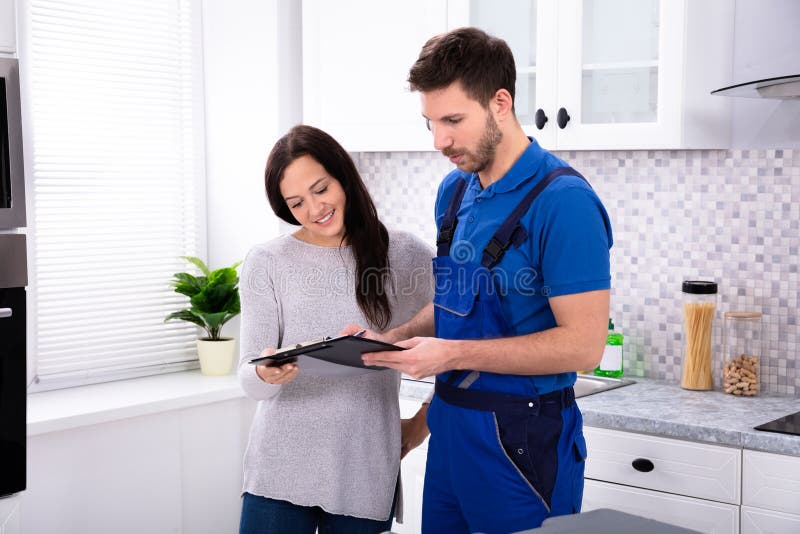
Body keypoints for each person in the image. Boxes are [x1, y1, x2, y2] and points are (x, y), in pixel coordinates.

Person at [343, 27, 613, 533]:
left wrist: (449, 355)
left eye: (453, 120)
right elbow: (456, 305)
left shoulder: (564, 202)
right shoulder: (454, 192)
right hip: (450, 436)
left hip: (523, 443)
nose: (440, 140)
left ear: (501, 103)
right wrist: (396, 338)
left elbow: (584, 346)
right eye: (430, 122)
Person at [237, 124, 433, 534]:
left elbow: (465, 326)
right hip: (279, 470)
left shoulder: (405, 253)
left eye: (321, 189)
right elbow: (250, 380)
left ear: (343, 176)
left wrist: (422, 422)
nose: (313, 209)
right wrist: (264, 373)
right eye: (296, 203)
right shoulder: (267, 262)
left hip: (364, 469)